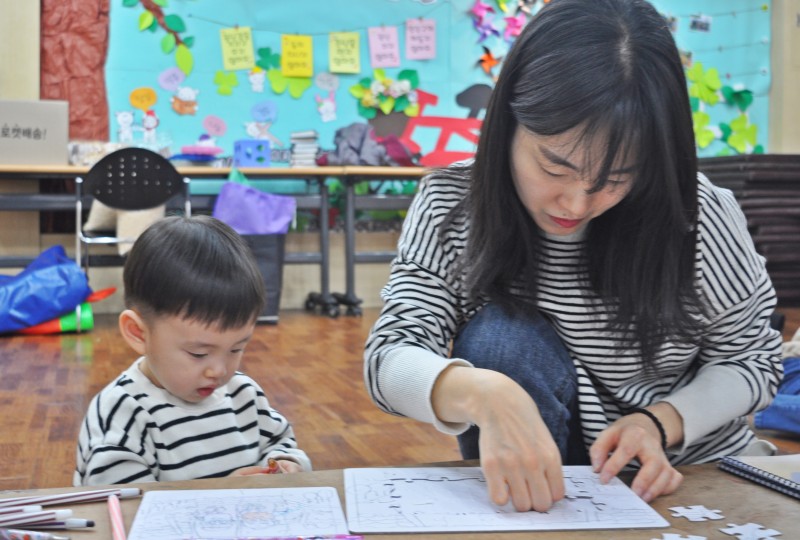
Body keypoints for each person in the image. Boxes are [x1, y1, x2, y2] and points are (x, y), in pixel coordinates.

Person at [364, 0, 783, 513]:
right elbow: (390, 355)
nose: (577, 203)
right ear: (508, 122)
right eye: (555, 166)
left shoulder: (696, 215)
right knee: (502, 342)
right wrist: (482, 393)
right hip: (539, 484)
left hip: (681, 473)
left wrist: (660, 420)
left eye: (617, 177)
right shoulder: (454, 203)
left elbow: (751, 359)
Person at [75, 215, 311, 486]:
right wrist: (219, 492)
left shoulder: (244, 395)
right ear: (138, 333)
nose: (219, 371)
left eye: (237, 349)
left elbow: (281, 442)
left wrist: (286, 464)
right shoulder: (124, 415)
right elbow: (126, 512)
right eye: (199, 354)